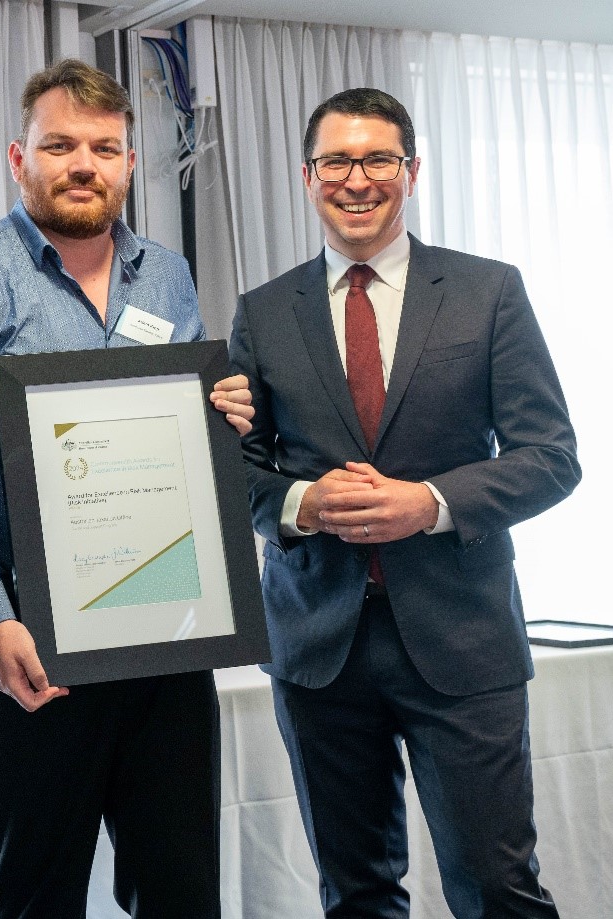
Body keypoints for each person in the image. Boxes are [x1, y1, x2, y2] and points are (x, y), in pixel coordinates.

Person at [0, 59, 253, 918]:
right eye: (59, 144)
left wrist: (222, 414)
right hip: (27, 638)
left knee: (180, 891)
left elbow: (180, 436)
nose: (82, 163)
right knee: (33, 896)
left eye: (104, 146)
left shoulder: (165, 275)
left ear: (130, 163)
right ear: (19, 158)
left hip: (163, 629)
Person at [229, 87, 579, 918]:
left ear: (411, 170)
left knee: (497, 889)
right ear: (306, 175)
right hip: (318, 650)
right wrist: (305, 502)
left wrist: (429, 502)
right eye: (336, 161)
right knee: (355, 894)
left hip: (462, 641)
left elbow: (550, 457)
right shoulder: (262, 310)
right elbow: (238, 472)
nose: (357, 179)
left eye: (378, 159)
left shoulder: (488, 292)